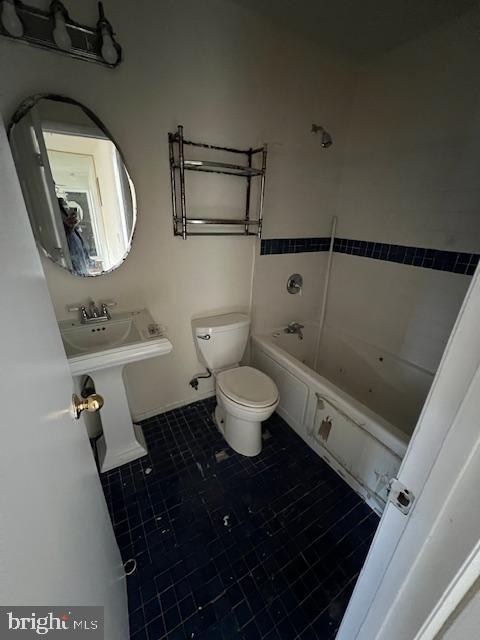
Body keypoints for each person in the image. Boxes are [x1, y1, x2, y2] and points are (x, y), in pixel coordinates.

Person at [58, 197, 92, 276]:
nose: (73, 214)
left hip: (82, 273)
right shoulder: (64, 232)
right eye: (70, 209)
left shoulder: (77, 234)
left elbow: (86, 258)